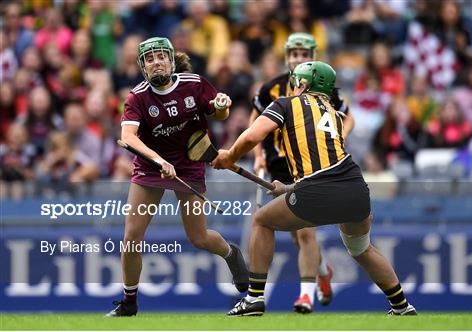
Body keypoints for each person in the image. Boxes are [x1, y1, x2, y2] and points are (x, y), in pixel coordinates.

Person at [215, 61, 416, 317]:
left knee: (262, 221)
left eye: (295, 81)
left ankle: (254, 299)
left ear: (303, 84)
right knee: (362, 248)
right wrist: (289, 187)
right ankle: (401, 305)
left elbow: (254, 137)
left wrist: (229, 157)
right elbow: (326, 162)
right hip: (355, 187)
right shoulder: (334, 113)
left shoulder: (286, 104)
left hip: (318, 189)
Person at [106, 37, 249, 317]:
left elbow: (219, 114)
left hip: (190, 163)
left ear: (171, 60)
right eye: (149, 59)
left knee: (198, 238)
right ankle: (128, 302)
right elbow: (127, 137)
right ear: (142, 67)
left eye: (161, 56)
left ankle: (231, 254)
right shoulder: (137, 97)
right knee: (132, 238)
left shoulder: (194, 84)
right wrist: (158, 160)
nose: (156, 62)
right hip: (151, 167)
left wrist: (221, 106)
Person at [250, 32, 354, 313]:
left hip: (308, 167)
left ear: (313, 57)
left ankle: (305, 295)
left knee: (306, 233)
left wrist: (339, 138)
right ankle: (322, 270)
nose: (299, 59)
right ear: (287, 57)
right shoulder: (270, 88)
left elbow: (347, 116)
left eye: (304, 55)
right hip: (278, 168)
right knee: (296, 235)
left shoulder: (326, 88)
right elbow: (254, 123)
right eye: (294, 54)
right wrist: (258, 155)